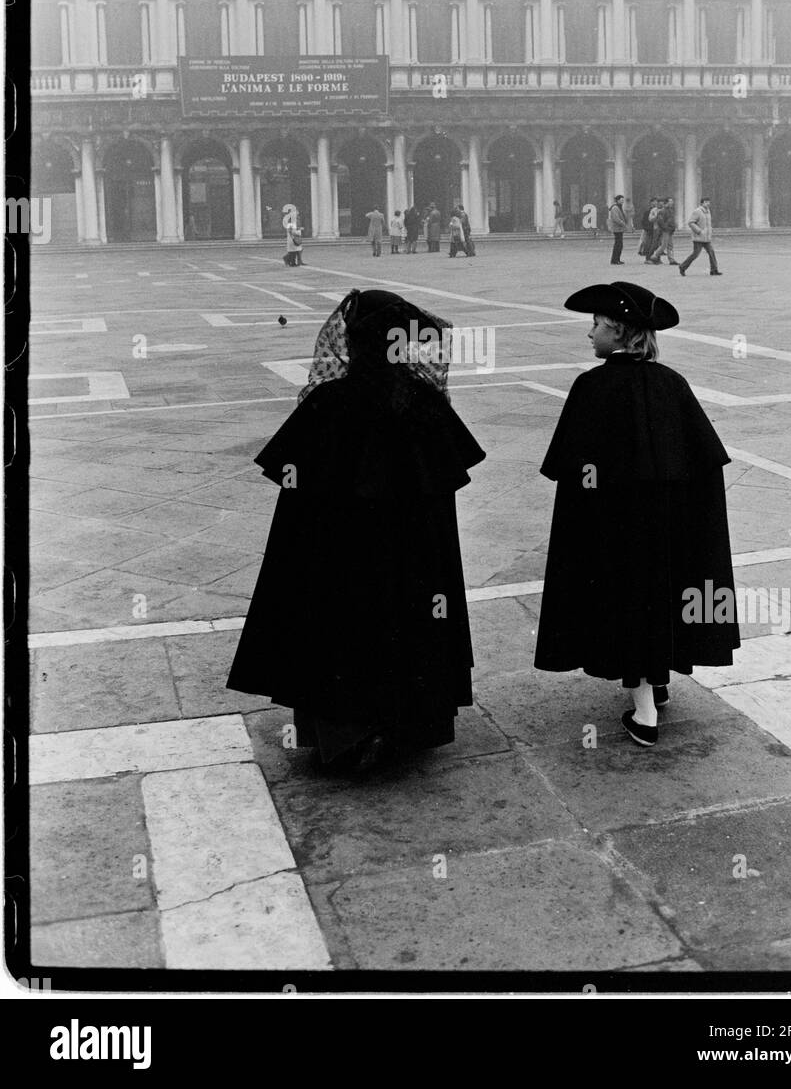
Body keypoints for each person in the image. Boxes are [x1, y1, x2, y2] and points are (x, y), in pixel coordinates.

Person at [227, 289, 486, 773]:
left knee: (336, 625)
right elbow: (443, 488)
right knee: (410, 620)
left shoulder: (327, 403)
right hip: (410, 562)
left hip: (337, 560)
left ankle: (345, 732)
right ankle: (404, 725)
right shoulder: (423, 401)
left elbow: (293, 494)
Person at [534, 280, 740, 747]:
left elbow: (573, 471)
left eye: (597, 325)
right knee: (658, 597)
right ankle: (656, 679)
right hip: (667, 529)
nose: (590, 334)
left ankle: (644, 711)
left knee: (624, 603)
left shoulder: (591, 386)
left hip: (614, 531)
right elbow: (703, 463)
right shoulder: (672, 383)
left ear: (620, 332)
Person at [679, 197, 722, 276]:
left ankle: (714, 270)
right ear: (701, 203)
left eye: (708, 202)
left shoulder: (708, 211)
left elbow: (707, 224)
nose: (708, 203)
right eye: (706, 202)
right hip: (698, 238)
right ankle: (682, 267)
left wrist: (710, 230)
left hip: (706, 238)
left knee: (711, 252)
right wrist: (699, 231)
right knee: (695, 254)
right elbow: (691, 222)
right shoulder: (697, 211)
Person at [647, 196, 678, 265]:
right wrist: (666, 228)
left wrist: (673, 227)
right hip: (665, 231)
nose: (672, 203)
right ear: (666, 203)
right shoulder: (662, 211)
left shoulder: (670, 210)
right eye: (670, 202)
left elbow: (672, 221)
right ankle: (654, 256)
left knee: (670, 245)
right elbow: (660, 222)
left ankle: (671, 260)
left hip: (670, 230)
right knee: (663, 245)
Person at [608, 194, 627, 264]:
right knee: (618, 245)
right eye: (621, 200)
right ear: (617, 200)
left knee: (619, 245)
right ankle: (615, 260)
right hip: (617, 229)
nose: (622, 202)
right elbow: (616, 218)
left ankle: (617, 259)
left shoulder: (619, 207)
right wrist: (623, 224)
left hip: (619, 229)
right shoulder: (615, 208)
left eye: (623, 200)